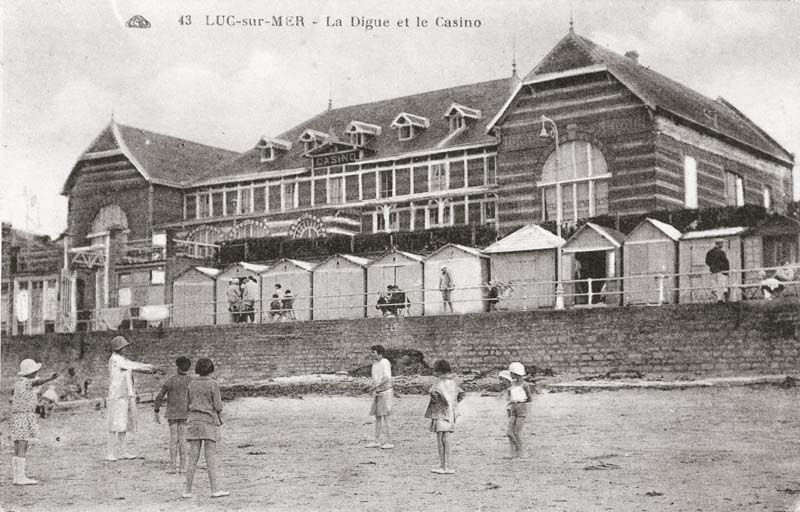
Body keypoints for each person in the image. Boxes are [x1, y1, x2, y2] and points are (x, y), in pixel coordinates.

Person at [107, 335, 160, 461]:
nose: (125, 349)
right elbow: (134, 366)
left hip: (125, 395)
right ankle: (110, 452)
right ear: (119, 348)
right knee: (114, 424)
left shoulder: (122, 359)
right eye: (124, 347)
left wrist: (152, 369)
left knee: (123, 423)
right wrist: (152, 367)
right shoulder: (115, 359)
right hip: (116, 396)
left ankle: (122, 451)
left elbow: (133, 366)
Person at [183, 358, 228, 499]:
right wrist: (222, 419)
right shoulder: (213, 384)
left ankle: (187, 491)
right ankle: (215, 490)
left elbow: (186, 404)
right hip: (208, 422)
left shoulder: (191, 384)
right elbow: (218, 406)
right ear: (211, 369)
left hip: (194, 422)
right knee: (210, 458)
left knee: (192, 459)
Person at [10, 359, 58, 485]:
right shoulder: (27, 382)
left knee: (18, 444)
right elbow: (37, 382)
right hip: (24, 416)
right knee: (22, 444)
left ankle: (17, 476)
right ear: (30, 373)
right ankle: (20, 477)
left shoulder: (19, 383)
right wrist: (49, 378)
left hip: (18, 416)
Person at [424, 359, 465, 474]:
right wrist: (453, 403)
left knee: (440, 439)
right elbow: (462, 394)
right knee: (446, 438)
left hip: (440, 413)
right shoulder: (452, 383)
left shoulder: (437, 384)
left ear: (439, 371)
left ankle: (443, 465)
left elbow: (434, 395)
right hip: (451, 413)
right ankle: (447, 464)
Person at [154, 356, 193, 474]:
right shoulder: (191, 381)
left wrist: (156, 411)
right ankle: (183, 466)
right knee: (183, 440)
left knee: (173, 439)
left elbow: (159, 396)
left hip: (171, 413)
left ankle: (172, 466)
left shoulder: (170, 380)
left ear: (177, 367)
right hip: (185, 413)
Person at [365, 345, 394, 449]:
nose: (372, 354)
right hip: (378, 392)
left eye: (373, 352)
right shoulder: (374, 364)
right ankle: (376, 441)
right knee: (377, 417)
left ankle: (390, 441)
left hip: (386, 392)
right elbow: (375, 380)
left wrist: (375, 388)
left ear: (379, 353)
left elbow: (387, 378)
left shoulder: (385, 362)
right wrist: (373, 389)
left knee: (386, 417)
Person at [505, 362, 534, 459]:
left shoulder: (525, 385)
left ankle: (521, 452)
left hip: (521, 408)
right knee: (509, 432)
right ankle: (516, 450)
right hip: (513, 408)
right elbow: (509, 396)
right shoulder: (512, 384)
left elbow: (529, 398)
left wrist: (522, 405)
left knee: (517, 432)